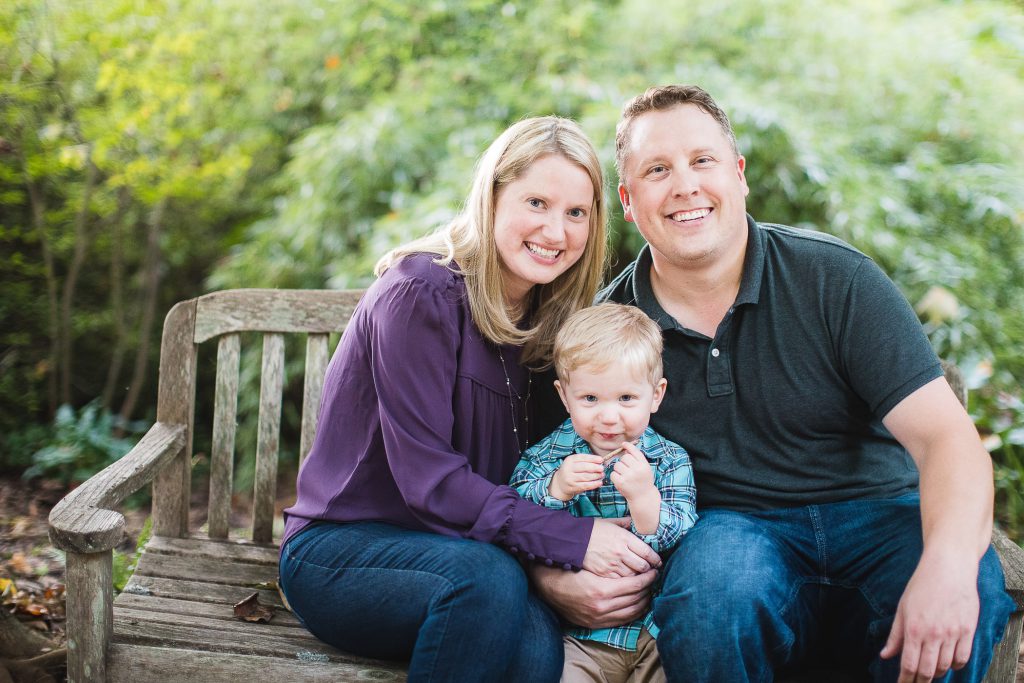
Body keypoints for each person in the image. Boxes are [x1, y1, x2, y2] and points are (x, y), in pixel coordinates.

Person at [529, 85, 1016, 683]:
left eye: (702, 161)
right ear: (629, 201)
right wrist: (548, 575)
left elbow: (948, 441)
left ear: (738, 175)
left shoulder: (835, 278)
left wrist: (945, 566)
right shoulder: (610, 335)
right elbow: (543, 474)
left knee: (971, 589)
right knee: (710, 601)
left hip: (878, 516)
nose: (684, 185)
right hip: (736, 532)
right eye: (658, 170)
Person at [278, 115, 661, 683]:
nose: (555, 232)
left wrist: (558, 574)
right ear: (493, 195)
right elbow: (431, 485)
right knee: (481, 583)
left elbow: (540, 470)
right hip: (346, 552)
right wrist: (573, 541)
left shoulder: (551, 318)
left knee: (537, 661)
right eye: (536, 203)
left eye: (576, 213)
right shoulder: (419, 293)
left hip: (480, 557)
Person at [510, 302, 698, 683]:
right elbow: (514, 517)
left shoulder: (668, 460)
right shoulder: (548, 456)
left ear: (656, 395)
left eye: (626, 399)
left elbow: (681, 531)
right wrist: (554, 488)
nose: (609, 417)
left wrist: (645, 498)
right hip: (580, 638)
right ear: (565, 397)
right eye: (590, 399)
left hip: (652, 633)